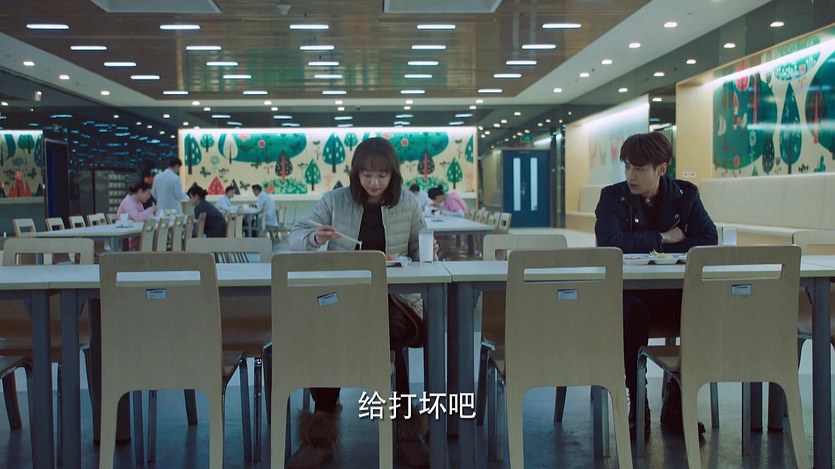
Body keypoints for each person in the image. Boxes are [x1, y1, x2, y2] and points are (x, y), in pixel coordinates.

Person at [288, 137, 436, 469]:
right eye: (367, 175)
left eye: (382, 175)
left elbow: (420, 251)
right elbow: (294, 236)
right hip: (342, 296)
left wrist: (426, 253)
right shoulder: (335, 200)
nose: (374, 182)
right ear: (356, 173)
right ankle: (323, 432)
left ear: (393, 175)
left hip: (395, 300)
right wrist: (315, 237)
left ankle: (406, 431)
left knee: (383, 328)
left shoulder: (408, 203)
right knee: (326, 331)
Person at [594, 132, 717, 439]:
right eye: (627, 167)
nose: (631, 176)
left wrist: (642, 245)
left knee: (699, 309)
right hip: (627, 294)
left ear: (661, 168)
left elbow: (706, 240)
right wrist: (663, 238)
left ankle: (678, 399)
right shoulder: (612, 197)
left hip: (671, 293)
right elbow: (609, 243)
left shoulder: (685, 195)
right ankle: (638, 401)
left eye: (639, 168)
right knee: (633, 314)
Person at [116, 182, 157, 250]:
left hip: (136, 235)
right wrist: (151, 209)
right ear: (140, 191)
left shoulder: (138, 202)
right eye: (148, 194)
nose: (149, 197)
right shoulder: (128, 202)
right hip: (129, 240)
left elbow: (144, 216)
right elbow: (138, 217)